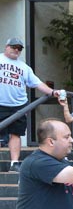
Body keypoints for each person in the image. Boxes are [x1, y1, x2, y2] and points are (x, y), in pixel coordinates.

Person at [0, 37, 60, 172]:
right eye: (14, 47)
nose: (16, 50)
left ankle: (14, 163)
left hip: (18, 105)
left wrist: (52, 92)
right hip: (1, 104)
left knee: (16, 134)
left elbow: (37, 83)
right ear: (6, 47)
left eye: (19, 48)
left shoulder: (24, 67)